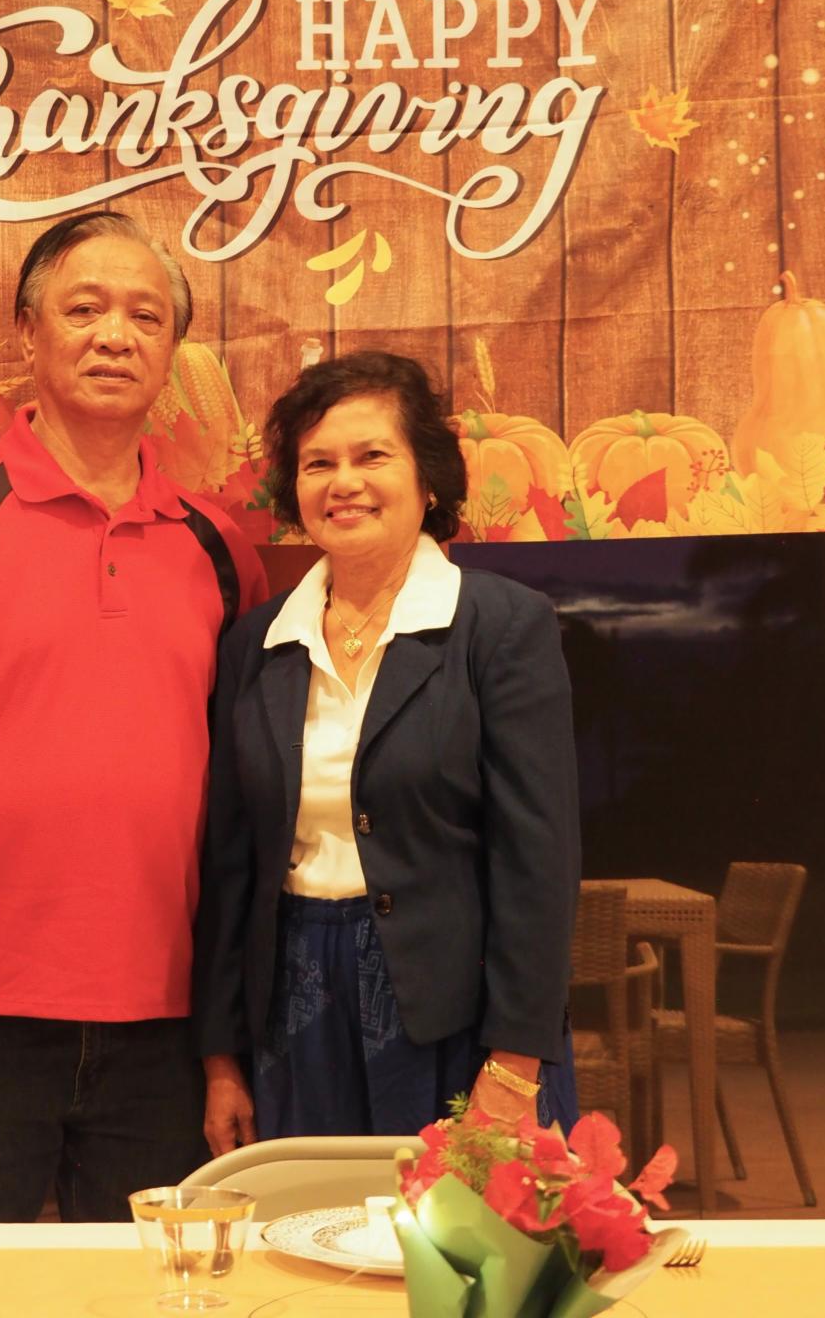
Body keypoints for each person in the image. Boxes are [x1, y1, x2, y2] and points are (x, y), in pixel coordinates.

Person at [0, 211, 267, 1221]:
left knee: (159, 1288)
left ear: (172, 350)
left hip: (169, 1022)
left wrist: (226, 1034)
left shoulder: (218, 546)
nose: (115, 336)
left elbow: (246, 797)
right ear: (28, 334)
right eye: (84, 309)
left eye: (145, 317)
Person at [193, 351, 579, 1153]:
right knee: (307, 1222)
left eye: (373, 456)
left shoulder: (502, 626)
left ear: (428, 478)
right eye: (318, 463)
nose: (345, 483)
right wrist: (222, 1059)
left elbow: (537, 860)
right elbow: (232, 866)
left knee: (455, 1229)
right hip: (293, 1010)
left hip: (457, 1017)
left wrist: (515, 1063)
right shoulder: (256, 645)